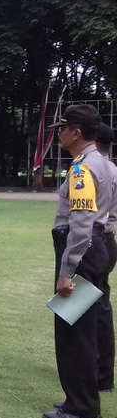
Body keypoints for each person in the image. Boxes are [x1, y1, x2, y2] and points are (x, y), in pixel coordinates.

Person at [42, 106, 117, 418]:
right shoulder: (105, 164)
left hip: (82, 250)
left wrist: (67, 271)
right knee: (90, 325)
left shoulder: (82, 168)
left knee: (74, 331)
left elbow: (82, 223)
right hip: (99, 245)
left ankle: (81, 405)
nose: (59, 134)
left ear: (75, 132)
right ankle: (87, 394)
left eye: (62, 129)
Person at [95, 122, 117, 395]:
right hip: (107, 238)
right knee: (100, 307)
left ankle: (96, 371)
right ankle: (102, 370)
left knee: (87, 310)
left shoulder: (95, 168)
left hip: (96, 239)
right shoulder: (112, 169)